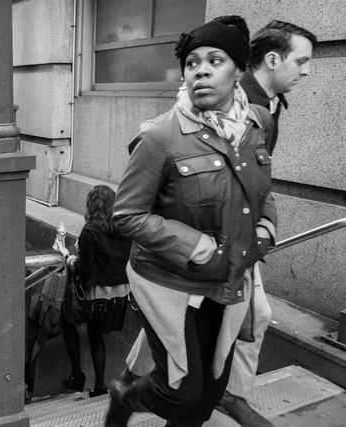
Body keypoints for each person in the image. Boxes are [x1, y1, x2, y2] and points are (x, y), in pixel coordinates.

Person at [106, 16, 277, 427]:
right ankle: (125, 398)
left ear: (238, 69)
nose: (200, 69)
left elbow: (261, 189)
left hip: (230, 278)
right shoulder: (160, 137)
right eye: (192, 62)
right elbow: (126, 215)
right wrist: (199, 248)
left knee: (210, 393)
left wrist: (265, 228)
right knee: (181, 393)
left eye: (215, 60)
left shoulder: (258, 123)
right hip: (168, 281)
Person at [212, 18, 316, 427]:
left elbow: (258, 180)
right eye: (301, 61)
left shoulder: (268, 105)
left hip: (243, 236)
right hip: (215, 239)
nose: (306, 72)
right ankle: (140, 388)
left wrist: (265, 225)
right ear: (272, 59)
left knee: (251, 315)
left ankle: (231, 396)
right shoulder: (236, 105)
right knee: (230, 318)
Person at [52, 185, 132, 397]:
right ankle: (99, 386)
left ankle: (78, 374)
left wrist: (66, 255)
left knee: (66, 319)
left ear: (91, 206)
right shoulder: (123, 227)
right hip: (120, 295)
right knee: (96, 335)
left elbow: (85, 270)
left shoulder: (90, 231)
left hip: (97, 296)